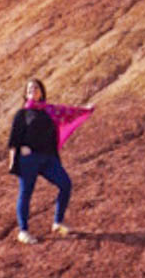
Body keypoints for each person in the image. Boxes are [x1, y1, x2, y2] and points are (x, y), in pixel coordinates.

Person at [6, 77, 93, 244]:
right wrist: (14, 162)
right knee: (26, 194)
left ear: (41, 92)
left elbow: (69, 112)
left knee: (65, 184)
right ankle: (23, 231)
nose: (33, 90)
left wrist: (85, 110)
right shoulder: (22, 114)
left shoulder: (50, 111)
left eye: (36, 88)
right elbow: (13, 140)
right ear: (26, 93)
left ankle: (57, 222)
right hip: (29, 160)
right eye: (30, 89)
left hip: (48, 158)